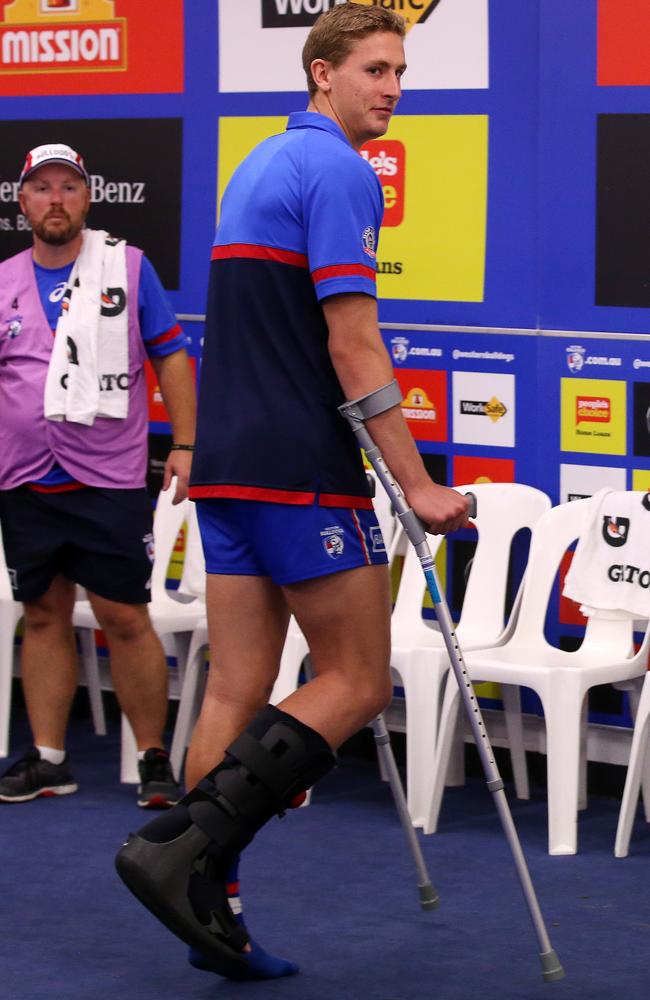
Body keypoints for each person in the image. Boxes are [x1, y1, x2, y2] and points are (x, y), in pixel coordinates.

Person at [115, 2, 469, 982]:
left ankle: (204, 903)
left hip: (228, 460)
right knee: (355, 680)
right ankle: (180, 847)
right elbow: (349, 340)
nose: (391, 89)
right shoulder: (339, 170)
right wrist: (416, 482)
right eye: (374, 70)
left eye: (399, 72)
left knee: (234, 684)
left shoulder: (258, 162)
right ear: (322, 74)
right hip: (296, 466)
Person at [0, 142, 196, 808]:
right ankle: (50, 758)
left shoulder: (128, 268)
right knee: (43, 615)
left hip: (106, 477)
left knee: (125, 616)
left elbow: (170, 359)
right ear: (22, 201)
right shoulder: (4, 281)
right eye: (42, 188)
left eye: (68, 188)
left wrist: (187, 442)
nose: (56, 199)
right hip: (25, 478)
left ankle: (153, 758)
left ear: (88, 198)